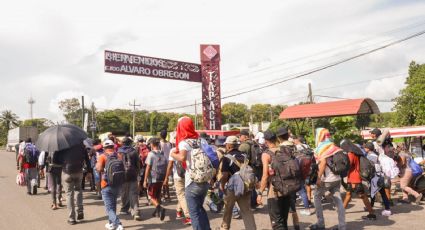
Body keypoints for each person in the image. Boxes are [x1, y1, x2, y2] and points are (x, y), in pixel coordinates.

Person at [170, 116, 212, 230]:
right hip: (205, 179)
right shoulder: (201, 140)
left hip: (192, 182)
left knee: (194, 214)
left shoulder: (184, 142)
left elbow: (182, 157)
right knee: (200, 209)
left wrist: (173, 154)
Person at [310, 128, 346, 230]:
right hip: (337, 178)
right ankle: (342, 226)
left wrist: (318, 178)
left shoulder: (322, 148)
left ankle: (320, 223)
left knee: (316, 197)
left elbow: (323, 164)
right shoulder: (334, 146)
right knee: (338, 201)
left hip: (326, 180)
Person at [219, 136, 256, 230]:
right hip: (245, 186)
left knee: (228, 209)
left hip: (232, 188)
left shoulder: (226, 157)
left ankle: (225, 228)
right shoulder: (245, 156)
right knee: (246, 211)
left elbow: (225, 174)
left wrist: (222, 185)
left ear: (228, 145)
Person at [257, 130, 292, 230]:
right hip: (287, 189)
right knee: (283, 220)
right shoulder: (284, 150)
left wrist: (260, 193)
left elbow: (265, 176)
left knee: (277, 223)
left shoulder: (266, 154)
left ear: (266, 141)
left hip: (274, 192)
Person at [96, 140, 125, 230]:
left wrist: (98, 166)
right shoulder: (119, 155)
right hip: (117, 184)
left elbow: (99, 169)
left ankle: (118, 224)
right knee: (113, 205)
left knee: (109, 208)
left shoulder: (102, 156)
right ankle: (111, 224)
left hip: (106, 184)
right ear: (113, 147)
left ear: (104, 148)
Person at [342, 145, 376, 220]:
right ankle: (342, 210)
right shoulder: (357, 154)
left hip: (354, 178)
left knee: (362, 195)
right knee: (348, 194)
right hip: (353, 177)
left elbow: (349, 165)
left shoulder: (351, 154)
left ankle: (371, 213)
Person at [276, 128, 300, 230]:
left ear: (279, 137)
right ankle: (297, 225)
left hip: (285, 179)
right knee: (292, 204)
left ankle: (284, 226)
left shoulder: (281, 148)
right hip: (295, 178)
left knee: (283, 205)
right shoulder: (293, 146)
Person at [61, 142, 90, 225]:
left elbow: (56, 160)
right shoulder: (81, 145)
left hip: (67, 172)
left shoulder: (63, 145)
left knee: (69, 194)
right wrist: (89, 171)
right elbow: (87, 159)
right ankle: (80, 210)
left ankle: (72, 218)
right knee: (78, 190)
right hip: (79, 171)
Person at [164, 147, 192, 225]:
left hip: (178, 176)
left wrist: (166, 177)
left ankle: (188, 216)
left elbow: (170, 165)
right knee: (183, 194)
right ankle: (179, 210)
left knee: (181, 195)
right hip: (188, 175)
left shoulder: (173, 150)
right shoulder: (188, 148)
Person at [364, 142, 392, 216]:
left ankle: (387, 209)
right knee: (373, 193)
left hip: (376, 177)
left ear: (368, 148)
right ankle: (371, 206)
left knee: (382, 193)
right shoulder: (374, 154)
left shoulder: (371, 156)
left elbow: (372, 167)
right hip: (377, 176)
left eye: (365, 147)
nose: (364, 149)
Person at [144, 137, 167, 221]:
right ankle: (157, 212)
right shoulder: (162, 153)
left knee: (151, 197)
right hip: (161, 178)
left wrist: (144, 180)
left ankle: (160, 208)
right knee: (157, 195)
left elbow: (148, 168)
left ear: (152, 144)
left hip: (153, 179)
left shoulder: (151, 154)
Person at [118, 137, 141, 221]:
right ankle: (136, 211)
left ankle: (124, 209)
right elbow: (138, 164)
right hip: (133, 175)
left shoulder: (119, 152)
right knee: (134, 193)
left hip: (123, 175)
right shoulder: (134, 151)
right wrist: (138, 174)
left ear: (123, 143)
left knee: (124, 192)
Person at [160, 130, 172, 201]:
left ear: (160, 135)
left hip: (162, 163)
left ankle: (164, 195)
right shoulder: (169, 143)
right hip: (169, 163)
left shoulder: (159, 143)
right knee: (166, 179)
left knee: (163, 180)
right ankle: (168, 195)